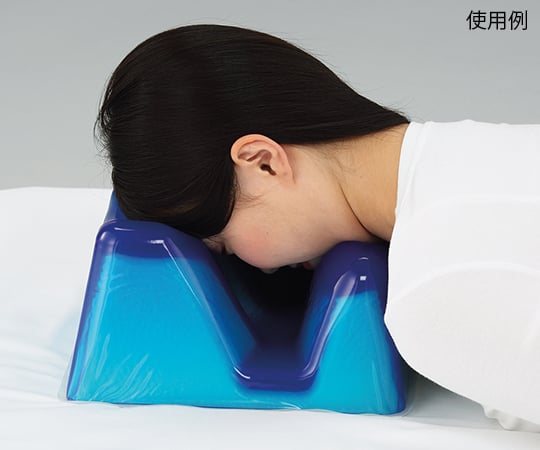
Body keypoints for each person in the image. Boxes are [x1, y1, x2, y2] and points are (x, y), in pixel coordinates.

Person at [94, 23, 540, 431]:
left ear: (263, 162)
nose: (258, 269)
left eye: (224, 245)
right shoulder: (485, 146)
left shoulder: (435, 295)